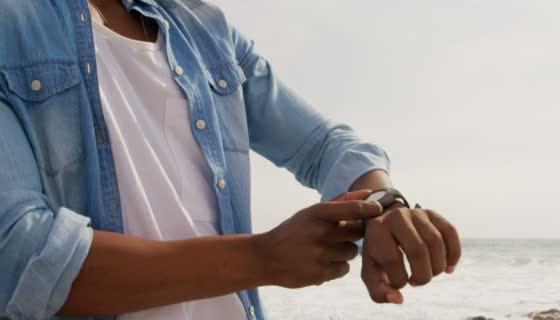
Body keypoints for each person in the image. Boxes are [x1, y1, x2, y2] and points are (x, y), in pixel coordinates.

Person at [0, 1, 461, 319]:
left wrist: (383, 205)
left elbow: (325, 145)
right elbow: (22, 258)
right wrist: (263, 257)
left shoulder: (206, 31)